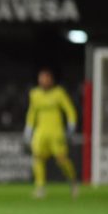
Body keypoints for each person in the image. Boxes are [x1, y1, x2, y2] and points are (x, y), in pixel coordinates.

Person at [24, 67, 79, 199]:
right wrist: (28, 129)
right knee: (37, 158)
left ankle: (73, 182)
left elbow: (69, 110)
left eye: (46, 78)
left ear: (51, 80)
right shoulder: (35, 94)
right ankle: (40, 187)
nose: (43, 81)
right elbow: (32, 113)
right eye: (41, 78)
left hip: (56, 133)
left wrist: (71, 125)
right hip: (40, 133)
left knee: (62, 160)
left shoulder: (59, 93)